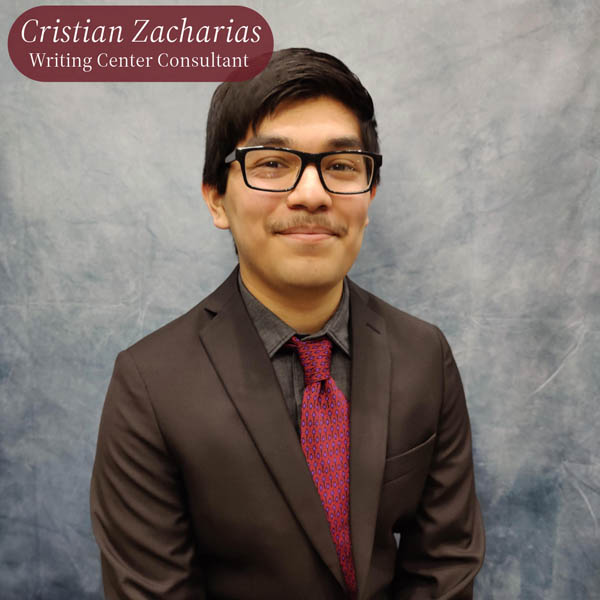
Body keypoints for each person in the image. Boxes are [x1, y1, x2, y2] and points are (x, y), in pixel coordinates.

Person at [90, 47, 485, 599]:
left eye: (341, 166)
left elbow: (444, 569)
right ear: (217, 200)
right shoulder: (149, 383)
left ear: (369, 195)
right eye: (271, 163)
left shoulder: (424, 355)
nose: (311, 194)